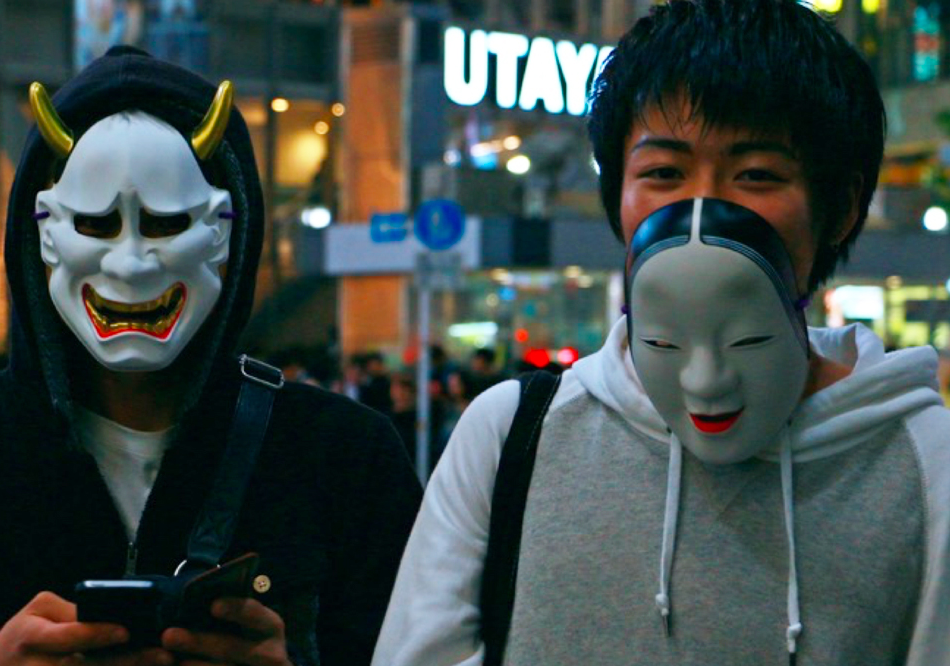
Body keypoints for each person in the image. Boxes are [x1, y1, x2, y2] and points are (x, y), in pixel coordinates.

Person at [371, 1, 950, 665]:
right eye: (662, 174)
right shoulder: (511, 433)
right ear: (616, 194)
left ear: (841, 208)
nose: (700, 212)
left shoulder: (927, 462)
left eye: (756, 175)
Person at [0, 47, 421, 666]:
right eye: (94, 226)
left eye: (165, 225)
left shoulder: (345, 456)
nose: (130, 263)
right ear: (42, 230)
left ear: (229, 229)